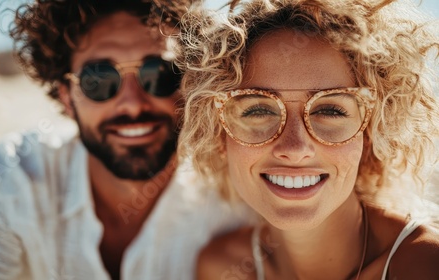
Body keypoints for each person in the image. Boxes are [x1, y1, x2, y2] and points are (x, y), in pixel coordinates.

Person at [0, 1, 253, 279]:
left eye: (159, 72)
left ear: (188, 82)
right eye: (99, 79)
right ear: (66, 97)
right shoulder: (6, 180)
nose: (132, 103)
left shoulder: (241, 197)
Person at [175, 0, 439, 279]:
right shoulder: (221, 268)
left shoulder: (425, 267)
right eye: (258, 110)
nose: (295, 148)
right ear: (219, 134)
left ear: (370, 132)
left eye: (330, 110)